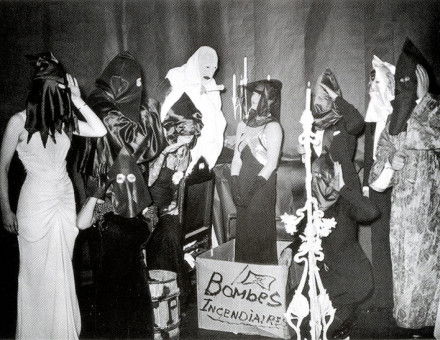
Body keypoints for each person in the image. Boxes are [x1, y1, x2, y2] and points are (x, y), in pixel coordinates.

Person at [0, 52, 107, 340]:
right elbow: (3, 166)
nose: (62, 93)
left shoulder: (65, 123)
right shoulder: (18, 123)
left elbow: (99, 130)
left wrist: (77, 99)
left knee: (61, 273)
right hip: (33, 203)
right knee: (35, 276)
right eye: (59, 88)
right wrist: (5, 209)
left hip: (62, 197)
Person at [281, 69, 379, 339]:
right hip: (320, 186)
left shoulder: (343, 121)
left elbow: (359, 123)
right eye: (319, 97)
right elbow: (310, 201)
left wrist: (338, 99)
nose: (320, 101)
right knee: (321, 246)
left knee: (342, 244)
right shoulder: (315, 124)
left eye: (326, 96)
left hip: (343, 191)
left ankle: (338, 310)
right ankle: (327, 305)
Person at [77, 51, 163, 338]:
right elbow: (141, 145)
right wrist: (151, 114)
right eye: (135, 82)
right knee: (118, 290)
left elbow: (145, 160)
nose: (140, 87)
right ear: (122, 82)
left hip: (127, 214)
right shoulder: (104, 109)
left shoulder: (114, 106)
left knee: (129, 285)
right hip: (110, 212)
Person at [369, 38, 440, 332]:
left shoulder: (435, 111)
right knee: (406, 273)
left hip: (432, 216)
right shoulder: (392, 120)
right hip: (402, 219)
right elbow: (375, 176)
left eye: (412, 83)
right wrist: (390, 164)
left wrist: (425, 102)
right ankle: (411, 327)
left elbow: (434, 138)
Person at [230, 79, 283, 265]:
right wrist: (235, 187)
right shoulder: (243, 125)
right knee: (243, 239)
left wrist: (251, 192)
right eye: (253, 93)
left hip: (261, 192)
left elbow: (271, 165)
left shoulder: (273, 127)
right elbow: (236, 158)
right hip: (243, 191)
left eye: (259, 95)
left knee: (259, 239)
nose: (253, 97)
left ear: (269, 100)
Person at [362, 55, 395, 319]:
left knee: (391, 241)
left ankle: (392, 296)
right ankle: (382, 296)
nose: (373, 89)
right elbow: (369, 155)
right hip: (375, 187)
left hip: (394, 187)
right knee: (378, 239)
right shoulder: (373, 113)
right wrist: (365, 186)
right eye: (371, 85)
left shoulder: (396, 116)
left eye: (377, 84)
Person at [159, 46, 226, 174]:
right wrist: (193, 89)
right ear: (197, 63)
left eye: (214, 68)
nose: (211, 73)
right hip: (181, 138)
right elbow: (165, 106)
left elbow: (215, 114)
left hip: (205, 140)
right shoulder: (177, 74)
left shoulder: (211, 84)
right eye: (207, 67)